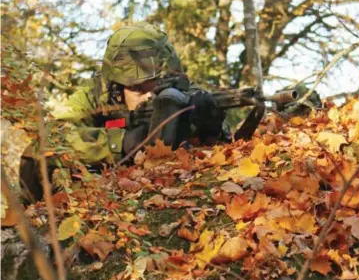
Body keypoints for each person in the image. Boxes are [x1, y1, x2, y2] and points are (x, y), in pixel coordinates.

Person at [19, 22, 226, 202]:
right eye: (137, 89)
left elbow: (229, 153)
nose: (148, 98)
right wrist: (121, 142)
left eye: (155, 88)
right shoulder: (96, 95)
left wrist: (212, 128)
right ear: (117, 86)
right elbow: (46, 138)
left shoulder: (185, 96)